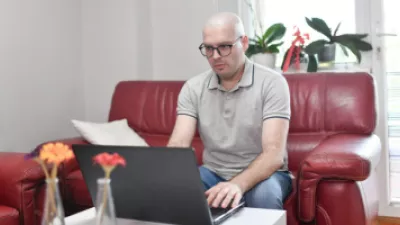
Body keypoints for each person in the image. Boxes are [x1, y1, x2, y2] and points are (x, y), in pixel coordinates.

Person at [167, 12, 292, 210]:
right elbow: (178, 143)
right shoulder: (193, 87)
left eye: (224, 47)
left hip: (265, 174)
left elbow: (273, 155)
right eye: (209, 48)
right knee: (177, 191)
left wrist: (237, 184)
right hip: (213, 172)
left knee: (263, 198)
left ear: (244, 42)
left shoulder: (273, 83)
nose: (215, 56)